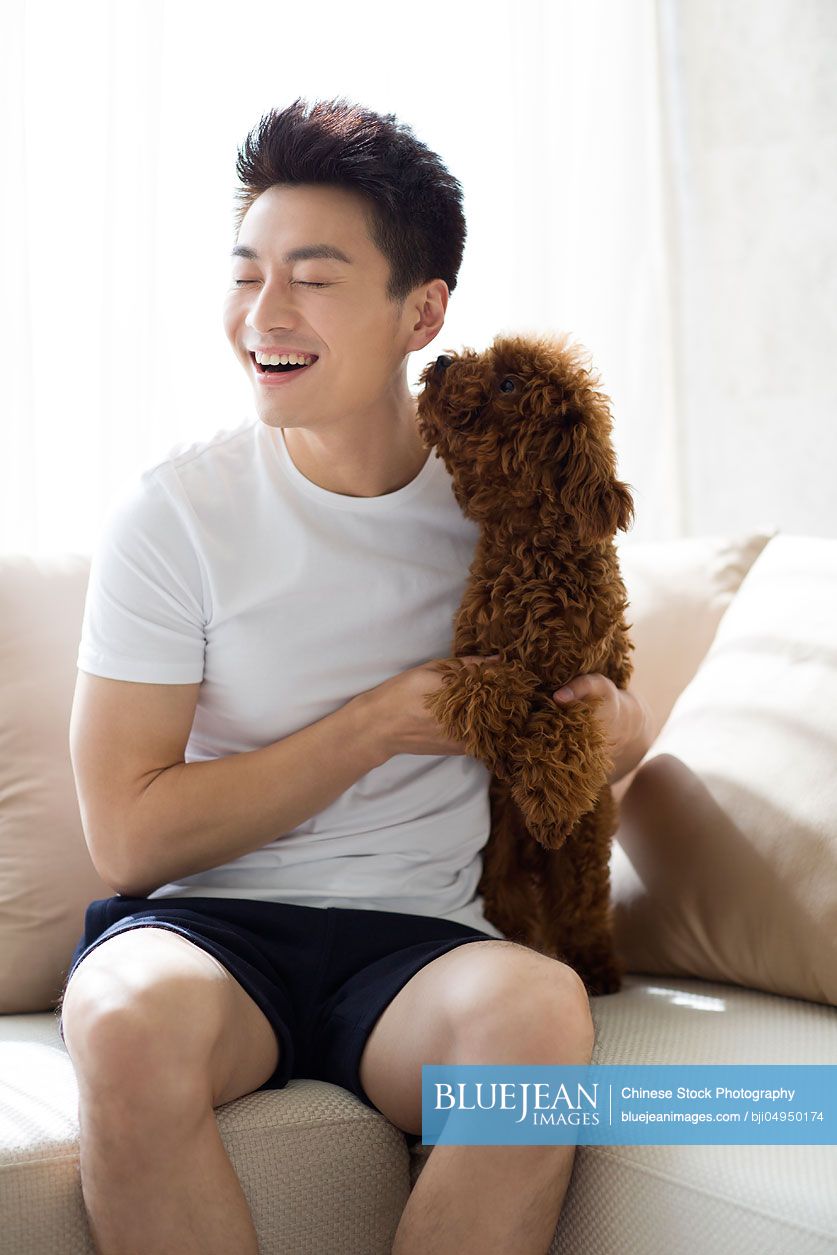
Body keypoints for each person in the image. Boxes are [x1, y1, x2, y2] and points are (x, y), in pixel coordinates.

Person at [57, 96, 653, 1255]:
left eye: (313, 277)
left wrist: (615, 725)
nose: (262, 315)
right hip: (203, 935)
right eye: (246, 274)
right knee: (125, 1026)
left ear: (421, 310)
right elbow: (126, 837)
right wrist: (375, 725)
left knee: (538, 1017)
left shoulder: (506, 498)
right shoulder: (176, 514)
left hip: (419, 939)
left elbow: (607, 719)